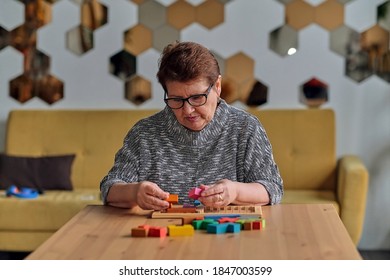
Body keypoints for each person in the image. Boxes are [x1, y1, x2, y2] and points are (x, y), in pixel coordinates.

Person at [100, 41, 283, 210]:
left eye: (197, 98)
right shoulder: (144, 133)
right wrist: (134, 193)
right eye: (176, 99)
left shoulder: (245, 128)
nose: (188, 110)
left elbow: (272, 187)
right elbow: (109, 188)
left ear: (217, 86)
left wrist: (235, 191)